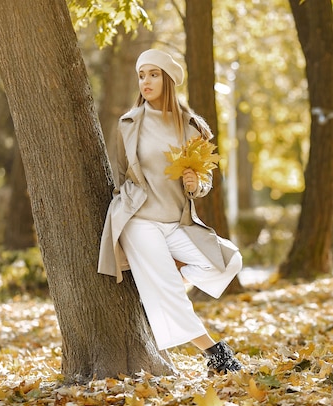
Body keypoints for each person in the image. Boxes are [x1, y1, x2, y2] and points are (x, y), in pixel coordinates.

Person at [98, 49, 243, 375]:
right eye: (142, 75)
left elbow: (203, 181)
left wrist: (195, 184)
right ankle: (217, 355)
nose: (146, 81)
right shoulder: (129, 123)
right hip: (140, 221)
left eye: (153, 74)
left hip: (178, 223)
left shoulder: (191, 128)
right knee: (173, 295)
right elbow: (121, 176)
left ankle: (168, 278)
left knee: (231, 260)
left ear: (168, 79)